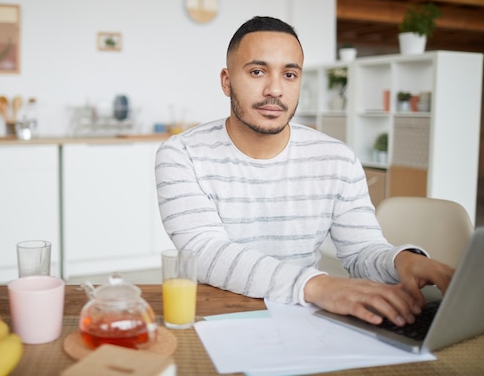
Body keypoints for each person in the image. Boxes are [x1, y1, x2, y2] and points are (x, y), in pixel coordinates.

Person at [154, 16, 454, 328]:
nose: (275, 90)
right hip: (218, 319)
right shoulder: (181, 154)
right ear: (226, 81)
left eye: (289, 74)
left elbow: (362, 252)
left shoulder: (336, 158)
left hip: (304, 319)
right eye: (257, 72)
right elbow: (205, 253)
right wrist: (318, 286)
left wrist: (403, 260)